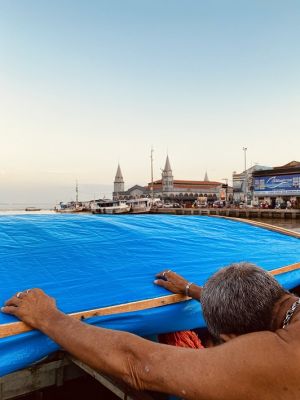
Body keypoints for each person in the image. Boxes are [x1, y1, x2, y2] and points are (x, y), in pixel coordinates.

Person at [2, 262, 300, 399]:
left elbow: (137, 364)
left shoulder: (284, 357)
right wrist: (189, 289)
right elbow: (255, 305)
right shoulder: (288, 306)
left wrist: (49, 318)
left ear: (232, 339)